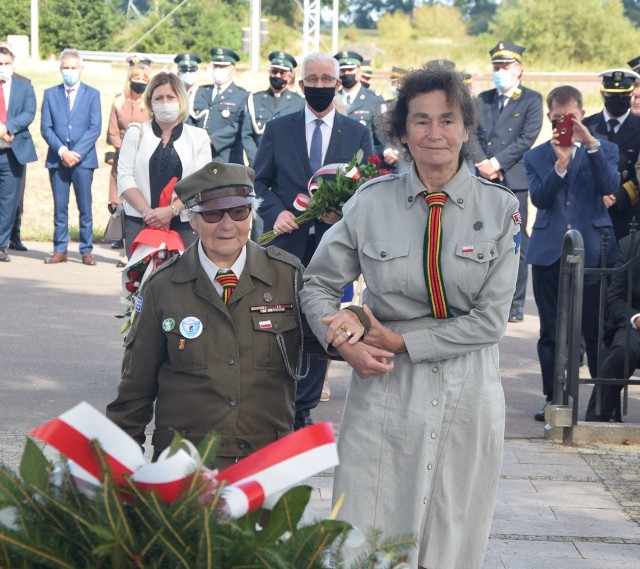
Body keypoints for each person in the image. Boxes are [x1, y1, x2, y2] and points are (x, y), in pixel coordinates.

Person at [300, 61, 521, 569]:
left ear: (467, 128)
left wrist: (403, 342)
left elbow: (490, 322)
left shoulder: (501, 209)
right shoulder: (369, 204)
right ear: (401, 131)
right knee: (369, 535)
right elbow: (317, 284)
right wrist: (341, 340)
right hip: (385, 389)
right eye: (420, 120)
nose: (434, 133)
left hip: (469, 386)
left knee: (452, 535)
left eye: (447, 120)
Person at [106, 161, 311, 468]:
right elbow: (135, 390)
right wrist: (118, 473)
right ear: (192, 221)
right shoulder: (163, 287)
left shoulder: (287, 276)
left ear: (252, 215)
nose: (227, 225)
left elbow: (327, 337)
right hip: (186, 465)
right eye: (213, 214)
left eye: (239, 212)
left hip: (266, 466)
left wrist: (358, 325)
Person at [253, 51, 373, 430]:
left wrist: (344, 214)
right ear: (301, 83)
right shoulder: (278, 128)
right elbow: (259, 182)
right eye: (313, 79)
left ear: (338, 83)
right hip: (284, 245)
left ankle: (303, 411)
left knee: (322, 324)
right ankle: (276, 401)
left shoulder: (356, 132)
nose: (320, 86)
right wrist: (276, 213)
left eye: (327, 79)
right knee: (278, 322)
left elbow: (366, 188)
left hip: (332, 248)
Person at [524, 85, 619, 422]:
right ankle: (555, 399)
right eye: (556, 120)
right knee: (551, 333)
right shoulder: (536, 156)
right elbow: (539, 198)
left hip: (593, 251)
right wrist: (560, 165)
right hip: (550, 251)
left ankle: (603, 403)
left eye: (570, 119)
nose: (562, 125)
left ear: (581, 114)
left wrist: (589, 144)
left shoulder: (604, 148)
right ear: (549, 119)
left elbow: (609, 186)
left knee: (596, 330)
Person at [476, 41, 543, 323]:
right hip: (484, 179)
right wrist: (482, 163)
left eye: (505, 67)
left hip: (513, 179)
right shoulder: (483, 99)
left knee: (516, 243)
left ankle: (515, 303)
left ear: (519, 69)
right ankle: (483, 301)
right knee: (480, 240)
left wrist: (497, 162)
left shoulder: (530, 99)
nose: (500, 71)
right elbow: (471, 135)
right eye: (496, 67)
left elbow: (527, 137)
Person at [117, 72, 211, 258]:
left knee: (183, 283)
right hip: (140, 220)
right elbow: (125, 176)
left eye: (171, 97)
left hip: (185, 223)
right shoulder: (136, 132)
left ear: (181, 100)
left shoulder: (198, 137)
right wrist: (148, 213)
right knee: (140, 283)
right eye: (159, 98)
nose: (165, 102)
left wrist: (170, 211)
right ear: (150, 101)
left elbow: (201, 183)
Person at [41, 49, 101, 266]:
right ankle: (60, 249)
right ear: (60, 69)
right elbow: (46, 128)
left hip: (83, 161)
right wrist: (62, 151)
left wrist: (77, 153)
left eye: (73, 67)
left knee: (85, 206)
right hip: (57, 160)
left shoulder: (92, 94)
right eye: (66, 67)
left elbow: (95, 128)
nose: (69, 71)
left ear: (81, 69)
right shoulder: (50, 94)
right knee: (60, 207)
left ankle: (86, 250)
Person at [585, 232, 640, 422]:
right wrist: (636, 317)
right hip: (635, 325)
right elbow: (615, 298)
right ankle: (596, 419)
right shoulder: (631, 245)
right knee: (623, 349)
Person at [584, 69, 640, 242]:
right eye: (613, 95)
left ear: (631, 94)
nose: (618, 100)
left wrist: (617, 195)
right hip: (591, 207)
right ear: (602, 93)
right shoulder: (587, 126)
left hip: (628, 209)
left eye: (623, 96)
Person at [105, 60, 151, 250]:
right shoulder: (118, 102)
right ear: (129, 80)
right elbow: (113, 132)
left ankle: (136, 247)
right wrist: (122, 150)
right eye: (136, 78)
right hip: (120, 160)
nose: (139, 81)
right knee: (119, 205)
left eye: (144, 79)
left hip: (142, 161)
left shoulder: (149, 105)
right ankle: (122, 242)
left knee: (138, 205)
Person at [0, 42, 36, 263]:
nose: (3, 67)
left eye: (6, 63)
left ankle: (1, 244)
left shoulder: (24, 85)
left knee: (8, 202)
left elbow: (29, 112)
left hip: (13, 154)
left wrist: (7, 127)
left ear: (13, 63)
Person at [241, 51, 305, 167]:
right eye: (274, 72)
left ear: (290, 76)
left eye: (282, 73)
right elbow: (246, 134)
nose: (278, 76)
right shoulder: (254, 100)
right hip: (258, 164)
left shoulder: (300, 103)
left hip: (288, 165)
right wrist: (257, 160)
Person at [190, 47, 249, 164]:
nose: (218, 69)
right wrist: (194, 138)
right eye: (216, 66)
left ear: (233, 70)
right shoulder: (199, 92)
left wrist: (211, 140)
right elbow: (189, 118)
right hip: (197, 156)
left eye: (222, 67)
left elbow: (239, 125)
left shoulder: (243, 96)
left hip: (226, 159)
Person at [334, 50, 386, 156]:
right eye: (342, 71)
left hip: (365, 165)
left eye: (350, 69)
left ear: (359, 72)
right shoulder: (332, 99)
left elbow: (381, 140)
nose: (347, 73)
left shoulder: (374, 100)